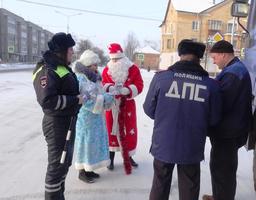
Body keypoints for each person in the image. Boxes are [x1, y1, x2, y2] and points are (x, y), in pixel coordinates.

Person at [144, 39, 222, 200]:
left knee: (160, 183)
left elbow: (149, 110)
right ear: (199, 58)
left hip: (163, 142)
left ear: (180, 55)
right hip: (192, 144)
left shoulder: (161, 78)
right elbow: (214, 119)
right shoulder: (211, 85)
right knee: (189, 186)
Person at [32, 32, 82, 200]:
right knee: (56, 167)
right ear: (61, 51)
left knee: (63, 164)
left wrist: (78, 95)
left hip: (66, 122)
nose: (73, 53)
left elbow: (64, 89)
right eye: (70, 50)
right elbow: (47, 101)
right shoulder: (48, 68)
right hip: (56, 124)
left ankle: (59, 196)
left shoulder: (60, 66)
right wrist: (75, 99)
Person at [202, 40, 252, 200]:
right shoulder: (235, 69)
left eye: (215, 57)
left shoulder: (232, 73)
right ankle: (219, 196)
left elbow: (221, 103)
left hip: (228, 132)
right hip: (231, 129)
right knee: (222, 168)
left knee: (222, 170)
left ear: (224, 54)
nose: (214, 61)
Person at [73, 50, 115, 183]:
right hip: (86, 118)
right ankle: (82, 171)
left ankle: (89, 169)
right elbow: (87, 100)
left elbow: (98, 93)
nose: (97, 67)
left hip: (95, 118)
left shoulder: (94, 77)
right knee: (85, 143)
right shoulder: (81, 78)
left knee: (93, 144)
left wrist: (107, 96)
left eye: (97, 65)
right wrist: (106, 98)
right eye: (94, 65)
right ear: (87, 64)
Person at [102, 43, 144, 174]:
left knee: (129, 131)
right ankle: (111, 158)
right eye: (113, 59)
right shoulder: (106, 69)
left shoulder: (133, 69)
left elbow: (139, 84)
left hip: (127, 105)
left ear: (122, 58)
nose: (114, 61)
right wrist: (109, 87)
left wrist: (128, 90)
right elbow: (102, 83)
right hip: (112, 105)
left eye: (117, 59)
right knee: (111, 130)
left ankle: (129, 156)